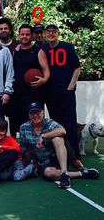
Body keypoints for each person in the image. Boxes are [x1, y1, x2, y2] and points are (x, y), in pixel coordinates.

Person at [19, 102, 99, 188]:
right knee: (48, 173)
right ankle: (82, 174)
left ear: (43, 113)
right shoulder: (24, 127)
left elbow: (63, 131)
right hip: (44, 160)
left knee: (57, 138)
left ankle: (64, 173)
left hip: (62, 154)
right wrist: (30, 162)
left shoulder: (49, 123)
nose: (35, 116)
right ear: (29, 115)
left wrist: (43, 136)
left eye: (37, 113)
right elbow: (24, 148)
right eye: (32, 113)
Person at [42, 24, 83, 168]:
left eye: (54, 31)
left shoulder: (67, 47)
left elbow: (77, 68)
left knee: (70, 124)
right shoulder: (44, 48)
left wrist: (70, 87)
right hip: (51, 93)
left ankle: (76, 157)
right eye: (49, 32)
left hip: (66, 92)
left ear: (58, 33)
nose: (51, 34)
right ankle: (61, 155)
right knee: (55, 125)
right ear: (45, 34)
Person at [9, 24, 49, 137]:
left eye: (27, 34)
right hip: (17, 93)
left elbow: (46, 69)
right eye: (22, 34)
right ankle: (17, 150)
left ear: (32, 36)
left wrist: (44, 79)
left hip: (34, 93)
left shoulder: (38, 51)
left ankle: (38, 149)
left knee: (35, 123)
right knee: (16, 124)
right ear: (19, 35)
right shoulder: (15, 51)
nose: (24, 37)